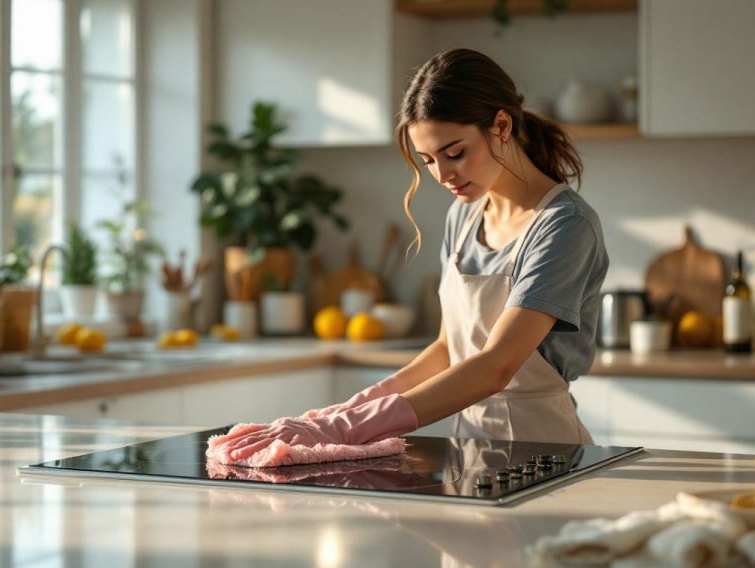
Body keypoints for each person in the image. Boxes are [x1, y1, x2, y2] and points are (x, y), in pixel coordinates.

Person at [210, 48, 608, 461]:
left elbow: (495, 366)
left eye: (454, 153)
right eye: (429, 160)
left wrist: (343, 428)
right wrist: (348, 409)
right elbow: (448, 349)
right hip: (468, 449)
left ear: (502, 125)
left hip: (545, 451)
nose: (442, 175)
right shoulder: (465, 215)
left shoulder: (564, 225)